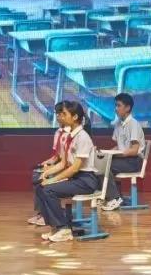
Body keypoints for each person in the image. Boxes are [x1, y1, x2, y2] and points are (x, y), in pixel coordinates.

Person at [35, 101, 100, 243]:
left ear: (75, 117)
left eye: (64, 114)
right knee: (40, 187)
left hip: (85, 180)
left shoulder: (83, 137)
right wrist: (46, 174)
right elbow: (63, 163)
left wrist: (52, 180)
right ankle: (55, 227)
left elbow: (75, 168)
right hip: (76, 179)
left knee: (49, 190)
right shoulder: (69, 136)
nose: (61, 117)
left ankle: (63, 229)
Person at [28, 102, 70, 226]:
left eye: (62, 114)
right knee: (37, 173)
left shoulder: (71, 134)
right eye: (57, 114)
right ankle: (42, 212)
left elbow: (67, 161)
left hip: (67, 167)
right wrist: (45, 163)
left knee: (41, 178)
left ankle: (47, 214)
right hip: (60, 164)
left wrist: (51, 168)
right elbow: (56, 156)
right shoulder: (58, 133)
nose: (58, 117)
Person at [101, 93, 145, 210]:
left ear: (128, 108)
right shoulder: (118, 124)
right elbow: (118, 146)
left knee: (107, 166)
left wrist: (118, 154)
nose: (116, 108)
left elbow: (134, 150)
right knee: (102, 163)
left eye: (118, 105)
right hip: (124, 159)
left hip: (134, 161)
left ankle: (114, 198)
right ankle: (115, 197)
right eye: (115, 105)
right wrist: (106, 154)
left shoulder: (134, 124)